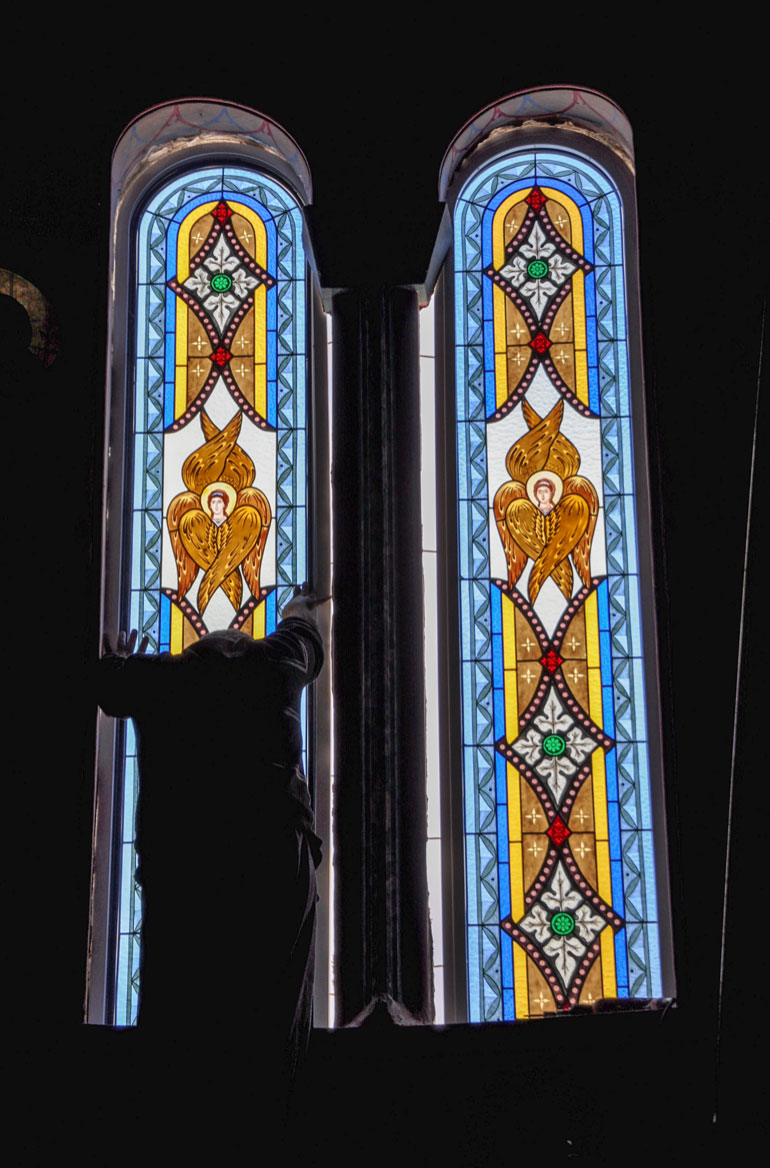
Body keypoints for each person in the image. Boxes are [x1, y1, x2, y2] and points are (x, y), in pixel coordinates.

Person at [97, 584, 328, 1097]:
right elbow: (305, 635)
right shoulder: (275, 665)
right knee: (272, 1032)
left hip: (186, 872)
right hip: (274, 869)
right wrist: (297, 607)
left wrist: (121, 659)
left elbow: (108, 685)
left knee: (180, 1028)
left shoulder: (163, 677)